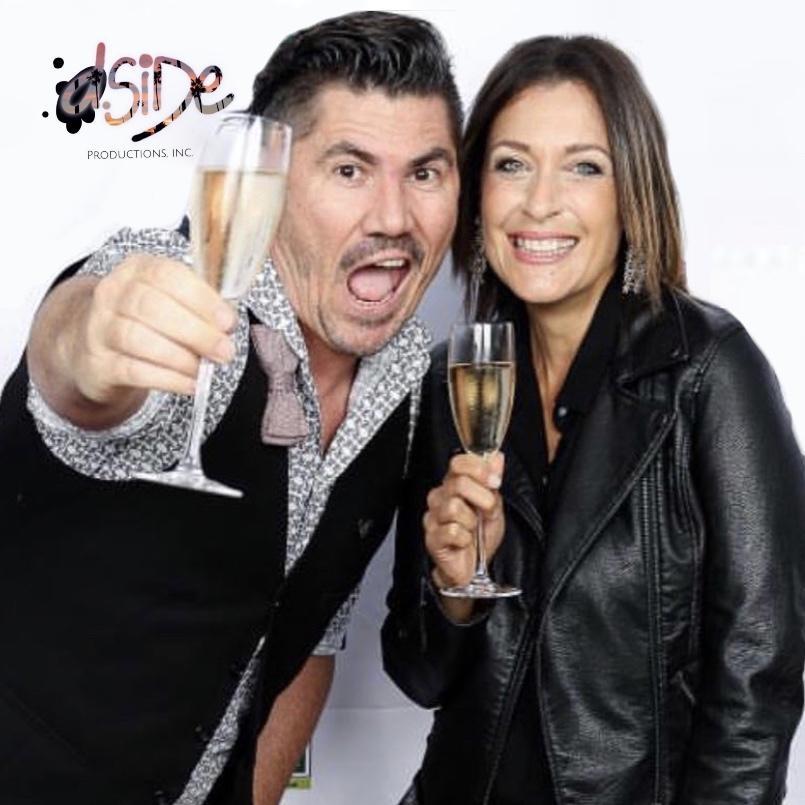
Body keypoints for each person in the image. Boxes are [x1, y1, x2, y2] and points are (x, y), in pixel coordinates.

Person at [0, 11, 461, 805]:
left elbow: (312, 630)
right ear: (271, 180)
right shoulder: (185, 288)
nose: (393, 217)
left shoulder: (406, 380)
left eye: (424, 173)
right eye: (349, 170)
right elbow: (77, 373)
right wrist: (89, 335)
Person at [382, 34, 805, 805]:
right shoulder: (452, 380)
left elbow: (759, 673)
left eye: (583, 167)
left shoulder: (709, 371)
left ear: (630, 193)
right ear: (477, 193)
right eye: (511, 164)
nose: (539, 202)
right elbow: (417, 672)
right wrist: (452, 588)